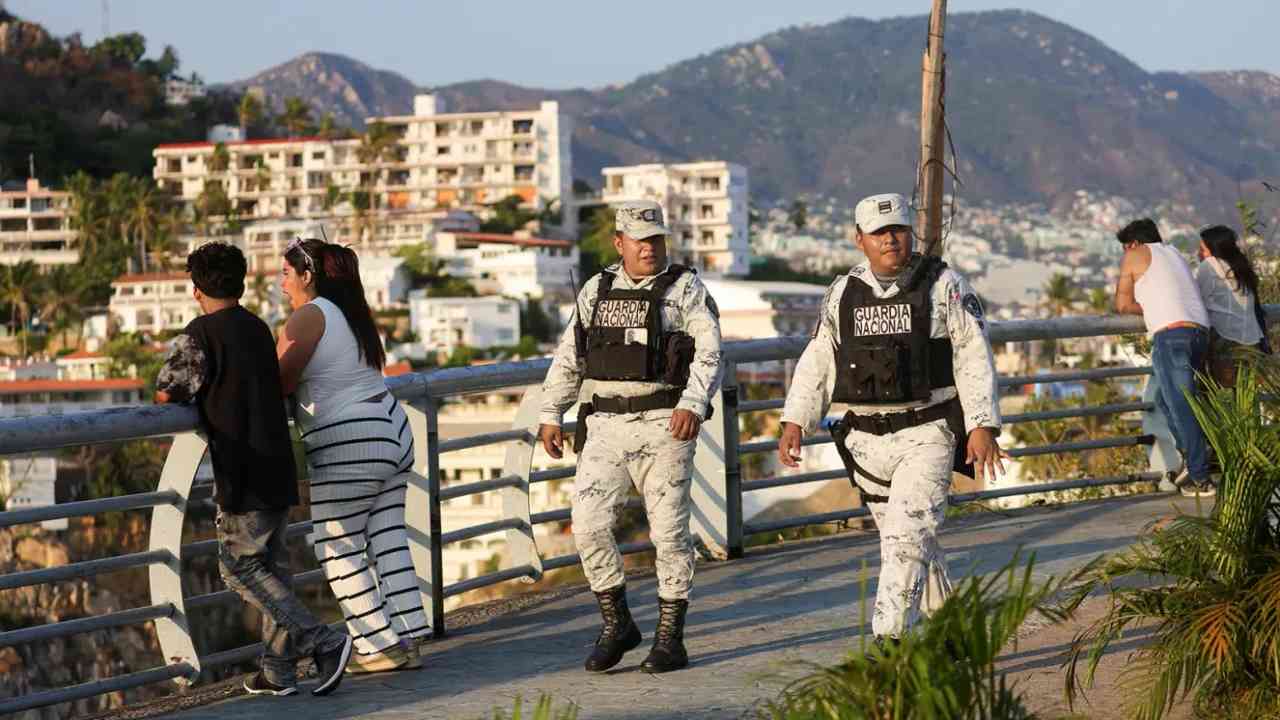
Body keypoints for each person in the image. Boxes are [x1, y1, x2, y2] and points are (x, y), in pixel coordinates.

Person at [776, 193, 1004, 647]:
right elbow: (821, 357)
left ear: (910, 233)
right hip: (866, 441)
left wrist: (981, 424)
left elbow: (973, 353)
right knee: (912, 544)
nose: (891, 239)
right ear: (859, 239)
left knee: (905, 539)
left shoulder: (943, 284)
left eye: (898, 229)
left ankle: (888, 642)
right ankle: (955, 632)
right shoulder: (843, 292)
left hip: (928, 432)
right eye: (879, 233)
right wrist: (795, 419)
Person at [155, 242, 353, 697]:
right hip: (278, 462)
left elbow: (169, 391)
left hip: (241, 467)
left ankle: (324, 640)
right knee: (273, 571)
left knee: (238, 568)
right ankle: (277, 671)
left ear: (196, 287)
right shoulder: (257, 328)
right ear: (240, 282)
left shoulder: (200, 333)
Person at [537, 200, 723, 674]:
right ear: (619, 242)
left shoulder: (685, 289)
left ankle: (669, 638)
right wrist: (551, 412)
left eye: (656, 239)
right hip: (604, 427)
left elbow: (709, 351)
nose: (649, 248)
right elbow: (570, 354)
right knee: (588, 525)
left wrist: (692, 403)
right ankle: (617, 622)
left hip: (665, 423)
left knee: (668, 533)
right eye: (639, 240)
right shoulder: (597, 289)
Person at [277, 238, 429, 673]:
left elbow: (279, 381)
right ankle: (405, 637)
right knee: (387, 539)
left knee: (336, 544)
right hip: (392, 429)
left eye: (287, 273)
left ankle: (377, 646)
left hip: (351, 439)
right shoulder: (353, 314)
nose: (281, 282)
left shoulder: (309, 316)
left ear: (308, 277)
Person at [1113, 218, 1214, 496]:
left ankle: (1201, 477)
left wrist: (1147, 306)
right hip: (1200, 334)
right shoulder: (1174, 253)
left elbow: (1122, 304)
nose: (1125, 254)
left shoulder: (1135, 254)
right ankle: (1190, 459)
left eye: (1125, 248)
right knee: (1163, 401)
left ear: (1133, 243)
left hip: (1172, 336)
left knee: (1182, 406)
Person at [1196, 223, 1270, 387]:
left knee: (1221, 396)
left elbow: (1197, 300)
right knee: (1247, 397)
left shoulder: (1209, 266)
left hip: (1226, 340)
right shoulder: (1240, 265)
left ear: (1213, 249)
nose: (1199, 253)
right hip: (1252, 341)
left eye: (1202, 249)